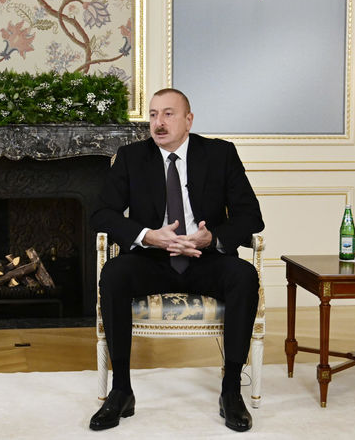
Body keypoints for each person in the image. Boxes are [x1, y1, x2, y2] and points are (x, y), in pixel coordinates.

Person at [89, 88, 264, 432]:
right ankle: (121, 390)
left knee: (243, 276)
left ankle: (231, 391)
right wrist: (147, 235)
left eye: (168, 114)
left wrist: (212, 238)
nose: (159, 123)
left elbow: (251, 217)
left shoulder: (220, 154)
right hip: (152, 259)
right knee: (114, 273)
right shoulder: (131, 157)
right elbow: (101, 213)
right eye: (153, 115)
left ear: (189, 120)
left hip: (204, 258)